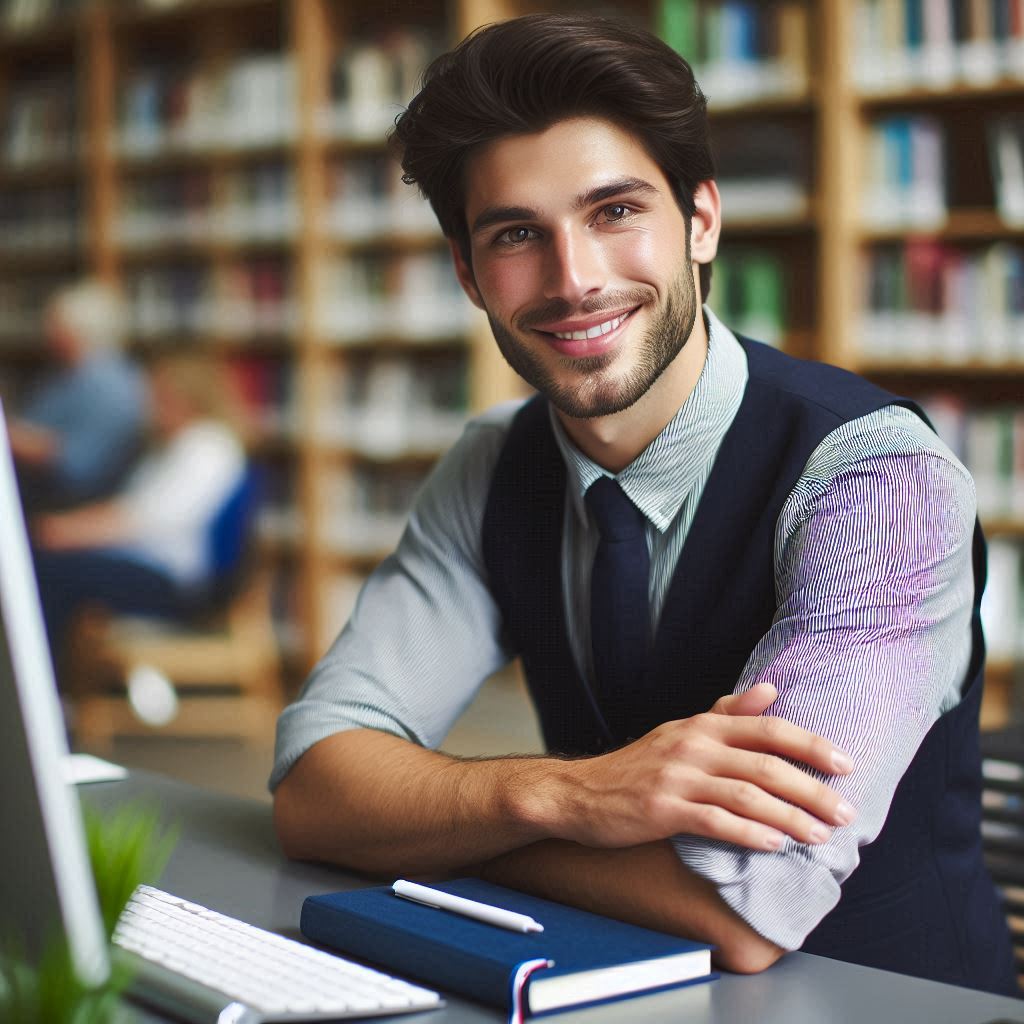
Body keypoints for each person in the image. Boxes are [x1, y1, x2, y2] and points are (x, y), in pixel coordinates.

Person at [269, 14, 1016, 995]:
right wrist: (564, 792)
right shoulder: (493, 465)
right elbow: (314, 788)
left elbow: (742, 904)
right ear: (467, 275)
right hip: (615, 994)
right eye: (515, 235)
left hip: (886, 1004)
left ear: (701, 220)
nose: (574, 279)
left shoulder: (878, 483)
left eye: (614, 211)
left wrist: (439, 827)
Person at [32, 352, 247, 672]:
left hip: (170, 582)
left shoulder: (207, 446)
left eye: (161, 397)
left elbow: (146, 519)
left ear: (188, 397)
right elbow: (127, 508)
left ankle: (41, 685)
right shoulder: (169, 446)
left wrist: (67, 531)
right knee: (52, 566)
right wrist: (66, 527)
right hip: (139, 563)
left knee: (51, 574)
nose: (150, 408)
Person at [8, 279, 145, 512]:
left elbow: (76, 463)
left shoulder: (108, 385)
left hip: (67, 505)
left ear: (78, 329)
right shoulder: (65, 374)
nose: (46, 332)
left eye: (54, 325)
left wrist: (12, 436)